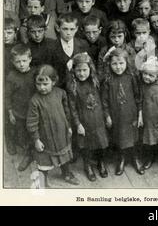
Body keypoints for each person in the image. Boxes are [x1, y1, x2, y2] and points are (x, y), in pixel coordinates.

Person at [27, 64, 80, 187]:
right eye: (38, 84)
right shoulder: (35, 101)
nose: (42, 87)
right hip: (46, 137)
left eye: (45, 84)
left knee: (64, 155)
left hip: (61, 133)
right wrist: (36, 139)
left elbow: (67, 112)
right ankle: (43, 181)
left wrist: (69, 127)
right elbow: (32, 122)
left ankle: (66, 173)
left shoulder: (61, 93)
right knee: (44, 161)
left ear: (54, 81)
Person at [102, 48, 144, 175]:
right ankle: (122, 159)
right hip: (117, 114)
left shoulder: (132, 77)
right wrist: (107, 115)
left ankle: (135, 158)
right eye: (114, 64)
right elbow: (104, 100)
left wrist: (140, 113)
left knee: (133, 136)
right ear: (109, 64)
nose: (118, 67)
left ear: (127, 63)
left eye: (121, 63)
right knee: (120, 136)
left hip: (131, 113)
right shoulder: (108, 79)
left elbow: (138, 96)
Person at [67, 53, 109, 181]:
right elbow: (72, 108)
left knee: (101, 143)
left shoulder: (96, 81)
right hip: (84, 121)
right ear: (73, 70)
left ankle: (101, 163)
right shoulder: (73, 86)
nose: (81, 73)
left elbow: (103, 99)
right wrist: (78, 124)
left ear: (90, 69)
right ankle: (88, 166)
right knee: (86, 146)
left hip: (98, 119)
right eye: (78, 70)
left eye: (85, 70)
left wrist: (106, 115)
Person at [4, 44, 36, 169]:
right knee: (23, 134)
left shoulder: (35, 73)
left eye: (24, 61)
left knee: (35, 132)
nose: (21, 64)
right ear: (12, 62)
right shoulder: (11, 77)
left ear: (30, 59)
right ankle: (28, 154)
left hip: (34, 111)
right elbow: (7, 96)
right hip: (19, 113)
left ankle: (36, 152)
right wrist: (11, 112)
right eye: (18, 62)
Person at [50, 13, 89, 88]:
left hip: (79, 87)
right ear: (58, 28)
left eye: (72, 29)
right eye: (65, 29)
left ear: (76, 29)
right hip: (59, 87)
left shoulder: (83, 44)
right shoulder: (52, 47)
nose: (68, 33)